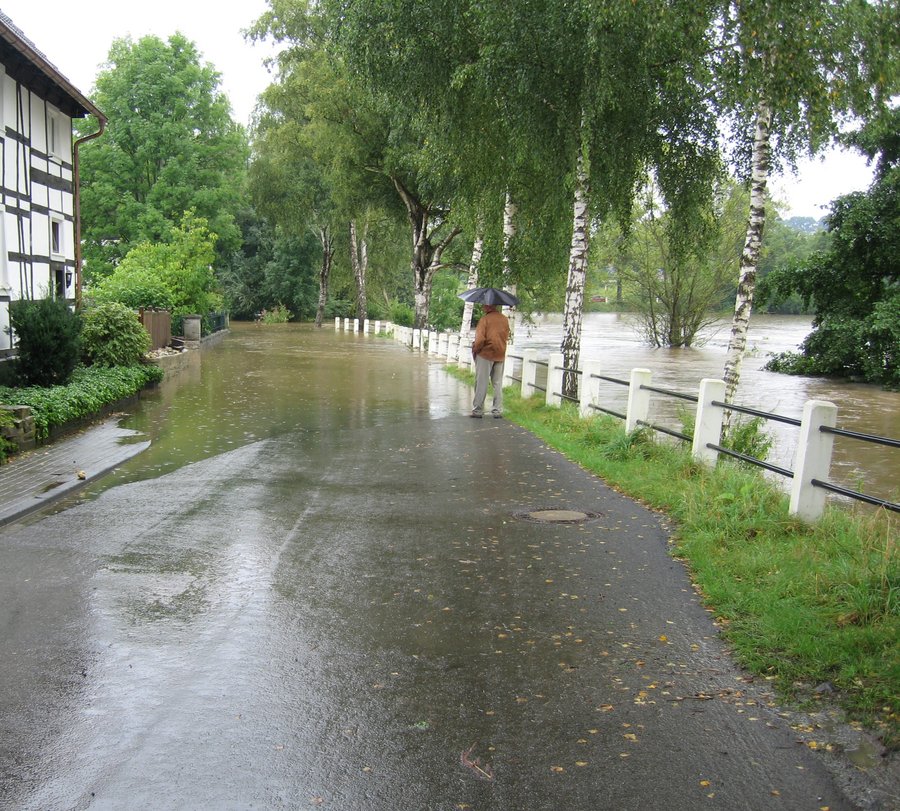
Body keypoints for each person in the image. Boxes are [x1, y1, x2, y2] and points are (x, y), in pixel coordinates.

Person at [470, 303, 510, 418]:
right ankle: (497, 411)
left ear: (488, 307)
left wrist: (475, 349)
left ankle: (478, 410)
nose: (482, 307)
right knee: (497, 383)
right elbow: (506, 336)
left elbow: (480, 339)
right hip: (500, 353)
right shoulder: (504, 319)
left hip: (485, 354)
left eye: (484, 305)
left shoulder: (485, 320)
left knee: (481, 382)